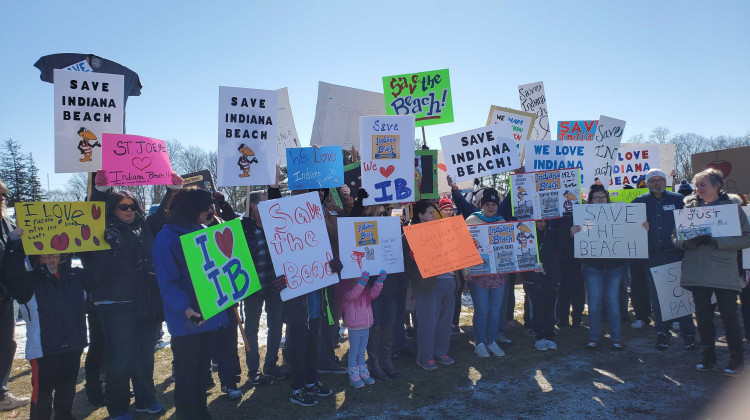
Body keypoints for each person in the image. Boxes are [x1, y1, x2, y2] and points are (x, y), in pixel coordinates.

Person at [89, 171, 171, 419]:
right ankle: (119, 408)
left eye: (133, 207)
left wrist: (173, 190)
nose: (130, 211)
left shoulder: (144, 227)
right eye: (124, 207)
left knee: (144, 357)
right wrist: (100, 191)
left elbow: (162, 215)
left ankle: (146, 400)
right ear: (112, 209)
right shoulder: (101, 229)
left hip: (145, 302)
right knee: (120, 359)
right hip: (115, 303)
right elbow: (92, 212)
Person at [153, 187, 229, 419]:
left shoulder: (202, 230)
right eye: (205, 207)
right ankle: (187, 414)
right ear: (190, 208)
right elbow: (168, 282)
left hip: (209, 313)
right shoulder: (166, 238)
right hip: (187, 319)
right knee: (187, 373)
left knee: (202, 371)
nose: (210, 211)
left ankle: (200, 411)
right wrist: (187, 310)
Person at [674, 168, 750, 376]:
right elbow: (676, 238)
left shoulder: (732, 209)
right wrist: (688, 242)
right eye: (697, 185)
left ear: (716, 186)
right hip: (696, 270)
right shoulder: (689, 209)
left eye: (703, 185)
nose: (698, 189)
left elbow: (746, 238)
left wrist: (718, 241)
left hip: (722, 270)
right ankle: (708, 357)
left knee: (729, 315)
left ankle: (736, 359)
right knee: (703, 316)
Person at [572, 185, 647, 349]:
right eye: (596, 198)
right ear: (590, 201)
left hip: (614, 266)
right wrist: (573, 232)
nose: (600, 200)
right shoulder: (583, 217)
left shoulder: (618, 215)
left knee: (613, 301)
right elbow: (578, 239)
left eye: (603, 197)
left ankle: (616, 337)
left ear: (607, 199)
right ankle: (593, 337)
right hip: (592, 266)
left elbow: (632, 231)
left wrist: (642, 228)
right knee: (594, 301)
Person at [15, 253, 87, 420]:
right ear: (37, 258)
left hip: (72, 344)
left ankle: (64, 415)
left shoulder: (75, 276)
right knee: (42, 393)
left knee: (67, 388)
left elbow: (97, 270)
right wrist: (15, 244)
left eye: (54, 254)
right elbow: (12, 274)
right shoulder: (29, 282)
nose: (51, 259)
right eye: (46, 256)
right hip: (44, 350)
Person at [632, 169, 697, 350]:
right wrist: (639, 227)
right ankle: (662, 333)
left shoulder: (678, 200)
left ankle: (688, 334)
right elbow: (628, 226)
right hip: (652, 257)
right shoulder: (639, 202)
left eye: (660, 179)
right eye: (653, 180)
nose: (657, 183)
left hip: (677, 255)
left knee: (682, 295)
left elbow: (691, 223)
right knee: (658, 297)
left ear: (665, 181)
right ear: (647, 183)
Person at [404, 200, 461, 370]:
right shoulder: (411, 234)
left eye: (434, 212)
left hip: (449, 280)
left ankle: (440, 352)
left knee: (445, 321)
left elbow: (455, 250)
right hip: (428, 285)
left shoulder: (444, 229)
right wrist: (412, 257)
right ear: (420, 215)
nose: (433, 215)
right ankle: (425, 356)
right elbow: (404, 261)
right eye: (429, 212)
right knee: (428, 322)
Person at [241, 188, 288, 385]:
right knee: (251, 328)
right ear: (253, 206)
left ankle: (270, 365)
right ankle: (253, 370)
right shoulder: (243, 228)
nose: (269, 204)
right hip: (252, 288)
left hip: (274, 285)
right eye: (264, 201)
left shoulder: (274, 224)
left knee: (276, 326)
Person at [0, 180, 31, 412]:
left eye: (3, 194)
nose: (2, 198)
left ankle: (1, 393)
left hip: (6, 296)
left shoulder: (8, 223)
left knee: (6, 345)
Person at [465, 189, 507, 358]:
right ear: (481, 205)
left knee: (495, 309)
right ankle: (480, 342)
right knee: (482, 309)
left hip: (498, 274)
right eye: (487, 204)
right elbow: (464, 247)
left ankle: (492, 340)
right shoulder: (471, 221)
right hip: (478, 274)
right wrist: (465, 270)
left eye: (493, 204)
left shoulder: (502, 221)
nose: (491, 208)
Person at [339, 271, 385, 388]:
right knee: (354, 352)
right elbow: (353, 295)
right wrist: (362, 283)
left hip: (366, 325)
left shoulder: (364, 290)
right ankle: (353, 377)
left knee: (362, 351)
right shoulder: (346, 289)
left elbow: (373, 294)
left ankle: (363, 373)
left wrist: (379, 282)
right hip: (355, 327)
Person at [522, 220, 562, 351]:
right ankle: (538, 335)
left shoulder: (553, 234)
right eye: (538, 222)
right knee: (536, 307)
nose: (541, 224)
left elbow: (561, 248)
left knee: (550, 307)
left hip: (551, 277)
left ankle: (549, 335)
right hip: (533, 279)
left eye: (544, 221)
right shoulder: (526, 235)